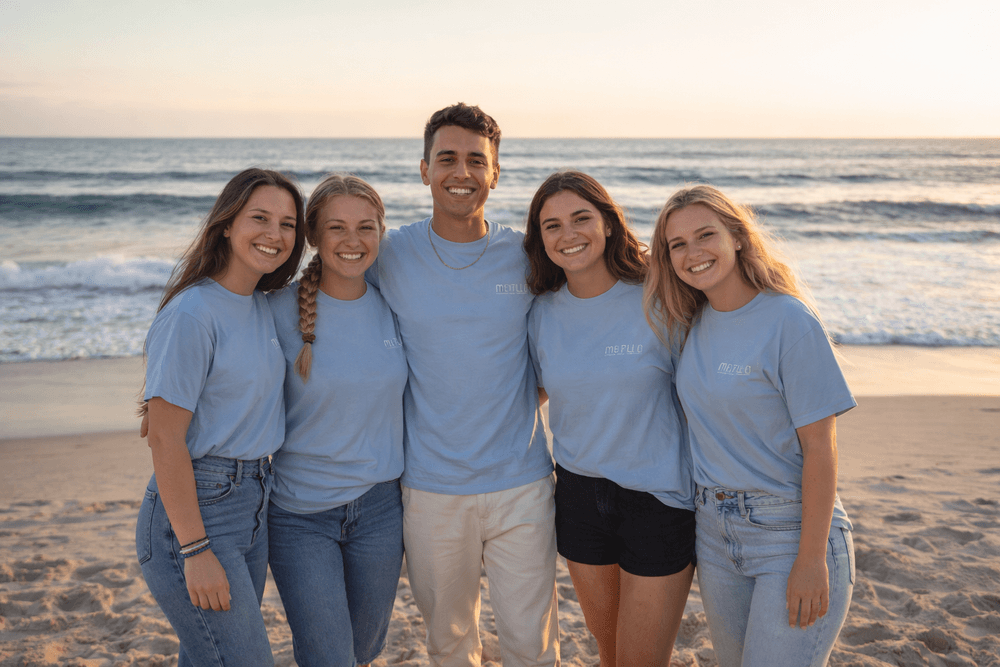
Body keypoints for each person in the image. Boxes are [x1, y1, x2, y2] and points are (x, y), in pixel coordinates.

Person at [368, 103, 558, 667]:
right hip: (430, 490)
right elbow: (323, 304)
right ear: (424, 169)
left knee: (531, 644)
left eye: (477, 160)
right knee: (450, 644)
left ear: (495, 173)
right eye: (447, 158)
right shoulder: (388, 254)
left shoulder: (526, 255)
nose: (462, 172)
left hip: (523, 484)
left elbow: (567, 340)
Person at [643, 184, 856, 667]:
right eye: (678, 244)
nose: (693, 253)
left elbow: (821, 448)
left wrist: (811, 558)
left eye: (706, 235)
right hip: (714, 534)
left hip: (789, 530)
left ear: (737, 237)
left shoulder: (787, 319)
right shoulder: (689, 323)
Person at [523, 171, 696, 667]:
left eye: (581, 218)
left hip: (659, 499)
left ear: (609, 224)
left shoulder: (659, 296)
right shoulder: (541, 313)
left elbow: (705, 394)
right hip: (578, 497)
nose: (569, 234)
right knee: (610, 654)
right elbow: (534, 393)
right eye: (552, 225)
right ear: (540, 239)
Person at [135, 168, 306, 666]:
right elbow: (164, 439)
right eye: (260, 218)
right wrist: (194, 550)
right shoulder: (193, 312)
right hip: (197, 510)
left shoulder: (262, 306)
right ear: (227, 224)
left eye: (288, 224)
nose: (275, 234)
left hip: (253, 501)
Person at [266, 175, 406, 667]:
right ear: (313, 235)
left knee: (363, 651)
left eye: (366, 227)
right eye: (336, 227)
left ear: (381, 232)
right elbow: (225, 368)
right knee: (328, 655)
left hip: (381, 511)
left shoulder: (397, 306)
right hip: (299, 515)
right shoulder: (276, 310)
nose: (353, 240)